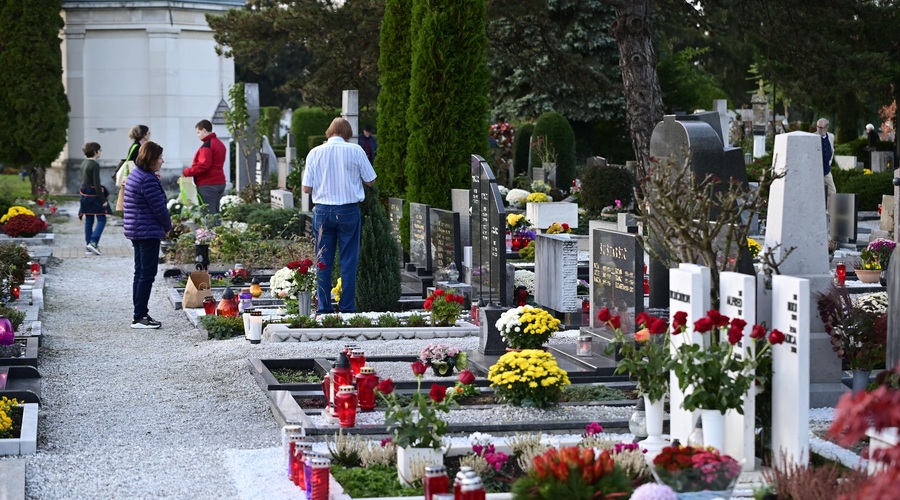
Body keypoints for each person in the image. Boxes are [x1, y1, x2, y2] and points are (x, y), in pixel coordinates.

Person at [302, 118, 376, 314]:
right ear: (347, 133)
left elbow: (306, 188)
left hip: (323, 211)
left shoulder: (315, 152)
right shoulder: (356, 150)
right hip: (348, 210)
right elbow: (371, 181)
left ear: (329, 131)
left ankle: (324, 308)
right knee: (349, 260)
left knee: (323, 261)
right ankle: (347, 307)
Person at [124, 141, 172, 329]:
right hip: (147, 230)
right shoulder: (147, 179)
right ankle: (140, 316)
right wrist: (168, 226)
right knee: (147, 274)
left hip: (138, 229)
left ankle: (139, 314)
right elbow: (159, 209)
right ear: (151, 159)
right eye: (159, 157)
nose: (162, 160)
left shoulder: (138, 174)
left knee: (140, 272)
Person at [182, 119, 226, 216]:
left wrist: (187, 172)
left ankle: (211, 231)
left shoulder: (207, 145)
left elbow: (204, 166)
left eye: (198, 132)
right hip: (219, 182)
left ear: (204, 130)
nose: (198, 135)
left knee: (208, 215)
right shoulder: (220, 144)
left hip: (208, 184)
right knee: (216, 213)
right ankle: (219, 230)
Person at [78, 142, 112, 255]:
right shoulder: (95, 165)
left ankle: (88, 246)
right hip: (94, 195)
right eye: (100, 149)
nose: (101, 152)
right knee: (102, 219)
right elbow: (97, 184)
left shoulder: (84, 163)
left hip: (85, 194)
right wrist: (103, 200)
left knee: (89, 220)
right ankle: (93, 242)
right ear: (95, 152)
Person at [114, 124, 151, 212]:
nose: (149, 135)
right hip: (134, 178)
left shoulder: (139, 145)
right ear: (144, 134)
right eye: (148, 133)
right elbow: (132, 163)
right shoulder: (136, 146)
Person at [816, 118, 836, 205]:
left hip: (826, 170)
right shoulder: (813, 137)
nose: (819, 129)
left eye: (821, 127)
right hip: (816, 171)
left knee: (832, 192)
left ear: (826, 128)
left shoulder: (831, 137)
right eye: (818, 127)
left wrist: (829, 162)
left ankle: (829, 214)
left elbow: (831, 150)